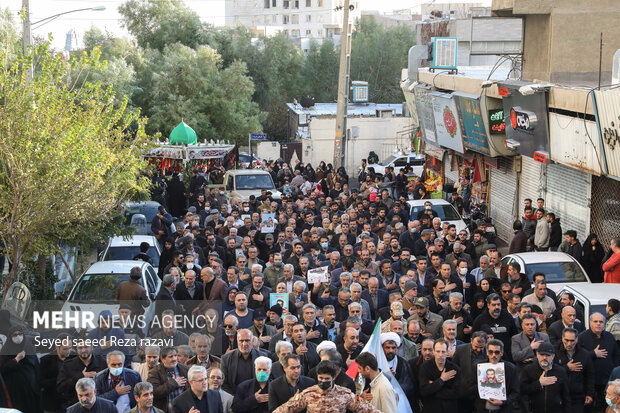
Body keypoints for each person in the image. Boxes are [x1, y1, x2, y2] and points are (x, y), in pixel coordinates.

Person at [273, 360, 380, 413]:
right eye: (321, 378)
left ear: (333, 377)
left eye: (327, 379)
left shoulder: (345, 394)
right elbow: (286, 409)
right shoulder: (308, 394)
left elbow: (367, 409)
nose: (323, 381)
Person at [578, 313, 620, 411]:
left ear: (605, 324)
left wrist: (613, 368)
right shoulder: (582, 337)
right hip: (589, 382)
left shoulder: (609, 336)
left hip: (607, 381)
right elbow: (578, 358)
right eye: (595, 321)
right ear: (590, 322)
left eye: (601, 322)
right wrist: (593, 353)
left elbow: (616, 355)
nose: (598, 324)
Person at [0, 325, 41, 412]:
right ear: (10, 337)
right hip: (14, 391)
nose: (18, 337)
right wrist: (16, 359)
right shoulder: (6, 351)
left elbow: (36, 367)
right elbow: (3, 368)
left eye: (20, 334)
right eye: (14, 335)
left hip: (31, 389)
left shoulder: (29, 347)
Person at [521, 342, 571, 412]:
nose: (544, 357)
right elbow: (522, 390)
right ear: (537, 354)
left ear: (553, 356)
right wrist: (539, 384)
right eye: (542, 354)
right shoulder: (528, 370)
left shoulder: (560, 371)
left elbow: (566, 396)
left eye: (547, 355)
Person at [554, 328, 595, 413]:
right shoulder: (555, 352)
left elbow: (590, 376)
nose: (569, 344)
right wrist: (566, 368)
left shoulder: (584, 354)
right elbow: (550, 370)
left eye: (572, 341)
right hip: (558, 394)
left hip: (578, 396)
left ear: (577, 340)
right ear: (562, 338)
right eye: (566, 340)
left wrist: (589, 394)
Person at [58, 340, 107, 409]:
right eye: (80, 348)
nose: (83, 350)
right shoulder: (68, 365)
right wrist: (81, 376)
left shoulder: (102, 362)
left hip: (99, 406)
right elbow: (60, 387)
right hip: (76, 407)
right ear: (76, 349)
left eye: (86, 347)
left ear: (92, 347)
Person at [419, 339, 461, 412]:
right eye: (438, 351)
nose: (440, 355)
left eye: (443, 352)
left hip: (449, 409)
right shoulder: (425, 367)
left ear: (447, 352)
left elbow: (456, 393)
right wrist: (441, 380)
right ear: (434, 352)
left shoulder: (454, 369)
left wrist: (433, 387)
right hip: (431, 409)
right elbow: (424, 391)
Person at [147, 347, 189, 412]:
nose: (174, 359)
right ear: (162, 359)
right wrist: (173, 383)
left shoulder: (185, 369)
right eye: (170, 356)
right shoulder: (154, 372)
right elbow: (153, 393)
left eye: (175, 355)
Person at [40, 333, 74, 413]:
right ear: (57, 347)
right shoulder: (46, 360)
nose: (68, 351)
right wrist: (60, 379)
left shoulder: (74, 358)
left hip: (70, 402)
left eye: (70, 348)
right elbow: (41, 382)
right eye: (65, 349)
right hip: (53, 404)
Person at [221, 329, 261, 394]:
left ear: (252, 341)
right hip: (233, 399)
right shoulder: (226, 359)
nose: (244, 344)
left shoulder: (262, 357)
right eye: (241, 341)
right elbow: (223, 384)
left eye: (247, 340)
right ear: (237, 341)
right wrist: (235, 399)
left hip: (257, 399)